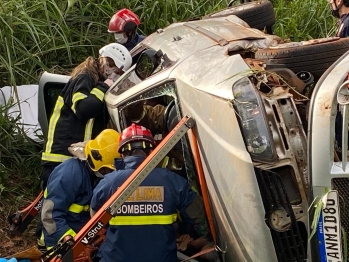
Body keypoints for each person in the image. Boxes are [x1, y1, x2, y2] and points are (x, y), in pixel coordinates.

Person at [90, 123, 205, 262]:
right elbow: (198, 216)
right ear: (152, 151)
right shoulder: (174, 181)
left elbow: (95, 223)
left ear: (121, 153)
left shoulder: (107, 183)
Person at [40, 43, 132, 189]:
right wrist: (104, 87)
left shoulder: (96, 81)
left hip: (79, 160)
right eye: (115, 70)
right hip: (61, 160)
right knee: (59, 205)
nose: (115, 75)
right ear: (106, 62)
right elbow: (83, 109)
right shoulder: (84, 78)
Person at [41, 129, 121, 248]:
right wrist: (68, 240)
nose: (108, 174)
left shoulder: (96, 176)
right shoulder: (69, 174)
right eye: (106, 170)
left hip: (87, 241)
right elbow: (49, 215)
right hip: (60, 244)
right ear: (95, 159)